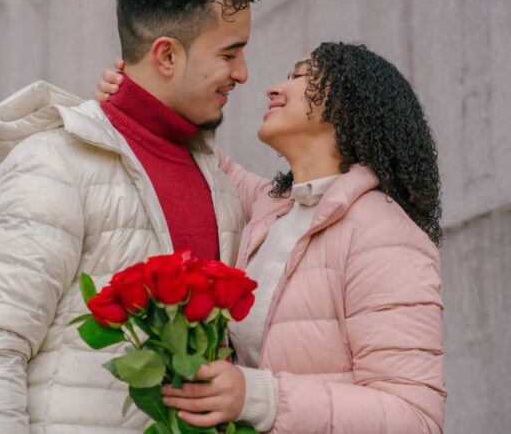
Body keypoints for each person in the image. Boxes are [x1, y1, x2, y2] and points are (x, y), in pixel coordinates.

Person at [0, 0, 263, 433]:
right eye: (231, 53)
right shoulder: (54, 163)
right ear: (167, 55)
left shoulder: (221, 181)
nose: (243, 73)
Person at [97, 43, 447, 432]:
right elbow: (199, 154)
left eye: (299, 76)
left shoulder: (383, 233)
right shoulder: (274, 206)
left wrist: (258, 397)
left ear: (349, 105)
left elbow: (415, 419)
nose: (274, 88)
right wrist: (138, 93)